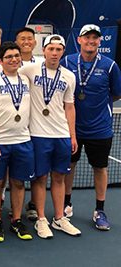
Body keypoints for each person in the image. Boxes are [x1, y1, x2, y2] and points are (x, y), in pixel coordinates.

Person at [19, 34, 81, 239]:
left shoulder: (69, 76)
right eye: (51, 49)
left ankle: (59, 217)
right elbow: (7, 73)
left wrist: (72, 135)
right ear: (44, 50)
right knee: (40, 178)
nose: (54, 53)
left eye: (58, 50)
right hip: (38, 135)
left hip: (61, 134)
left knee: (59, 177)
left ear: (63, 52)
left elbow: (69, 107)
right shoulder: (30, 69)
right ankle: (41, 219)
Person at [61, 24, 121, 231]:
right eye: (87, 38)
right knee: (69, 166)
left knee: (100, 168)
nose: (91, 41)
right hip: (71, 128)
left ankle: (100, 210)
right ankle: (66, 203)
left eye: (95, 38)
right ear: (79, 40)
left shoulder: (110, 66)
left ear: (99, 41)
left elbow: (116, 93)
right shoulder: (67, 61)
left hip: (100, 129)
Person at [0, 41, 33, 242]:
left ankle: (17, 220)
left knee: (18, 183)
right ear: (0, 60)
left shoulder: (27, 78)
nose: (14, 59)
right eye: (9, 56)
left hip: (23, 140)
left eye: (16, 55)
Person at [14, 27, 44, 221]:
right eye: (22, 39)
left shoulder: (42, 63)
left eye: (29, 39)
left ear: (35, 42)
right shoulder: (10, 61)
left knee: (39, 170)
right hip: (15, 128)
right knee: (12, 171)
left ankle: (33, 204)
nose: (26, 41)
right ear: (17, 42)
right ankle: (2, 204)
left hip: (39, 127)